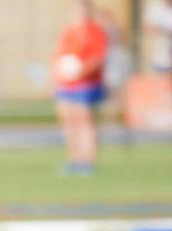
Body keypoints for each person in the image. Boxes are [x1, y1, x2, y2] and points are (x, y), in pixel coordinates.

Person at [54, 1, 110, 173]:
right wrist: (58, 76)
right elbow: (59, 57)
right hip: (66, 83)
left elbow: (98, 58)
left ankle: (88, 161)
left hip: (87, 82)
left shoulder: (95, 31)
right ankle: (75, 159)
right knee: (69, 120)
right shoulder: (68, 31)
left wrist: (81, 71)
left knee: (85, 120)